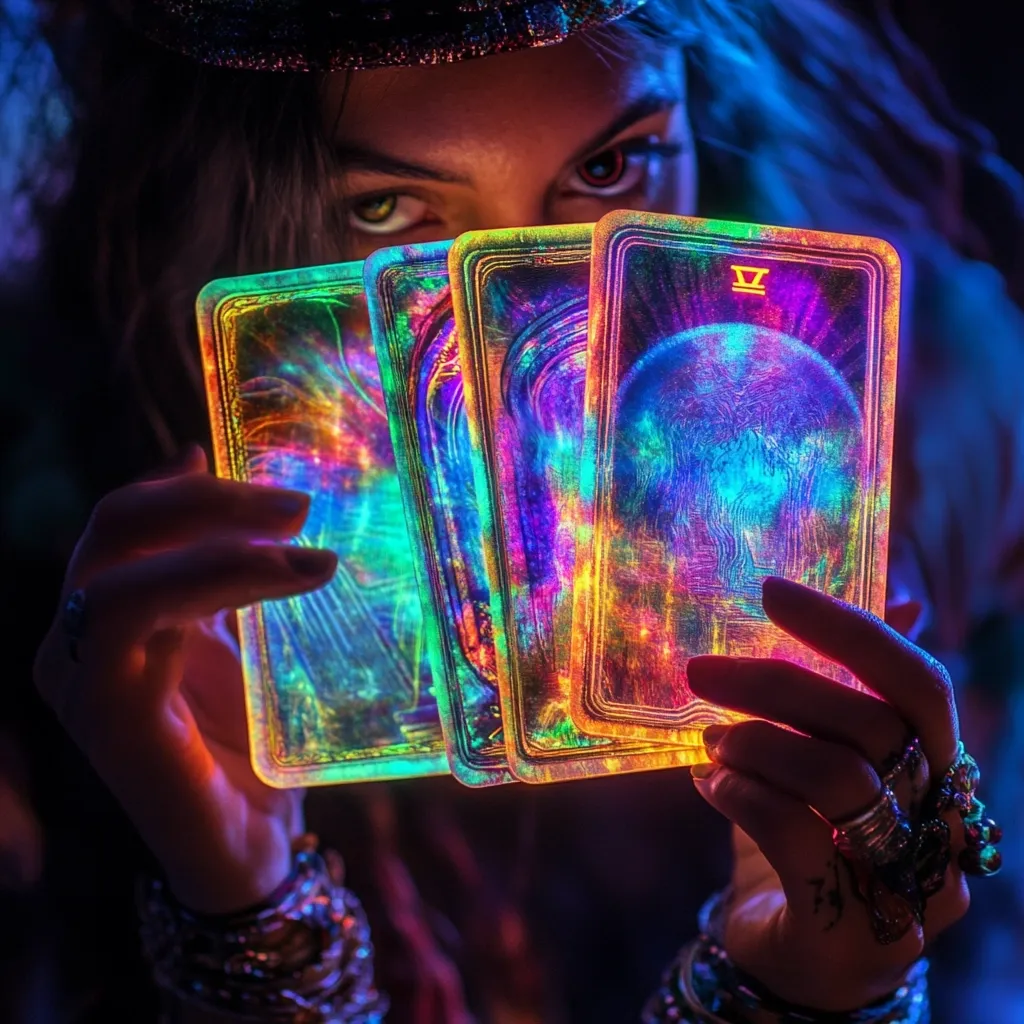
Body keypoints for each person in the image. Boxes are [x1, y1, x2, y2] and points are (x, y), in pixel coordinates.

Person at [8, 0, 1024, 1020]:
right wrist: (243, 909)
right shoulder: (76, 550)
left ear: (698, 113)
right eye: (385, 209)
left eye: (609, 168)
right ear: (216, 203)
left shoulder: (918, 428)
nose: (526, 332)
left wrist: (824, 976)